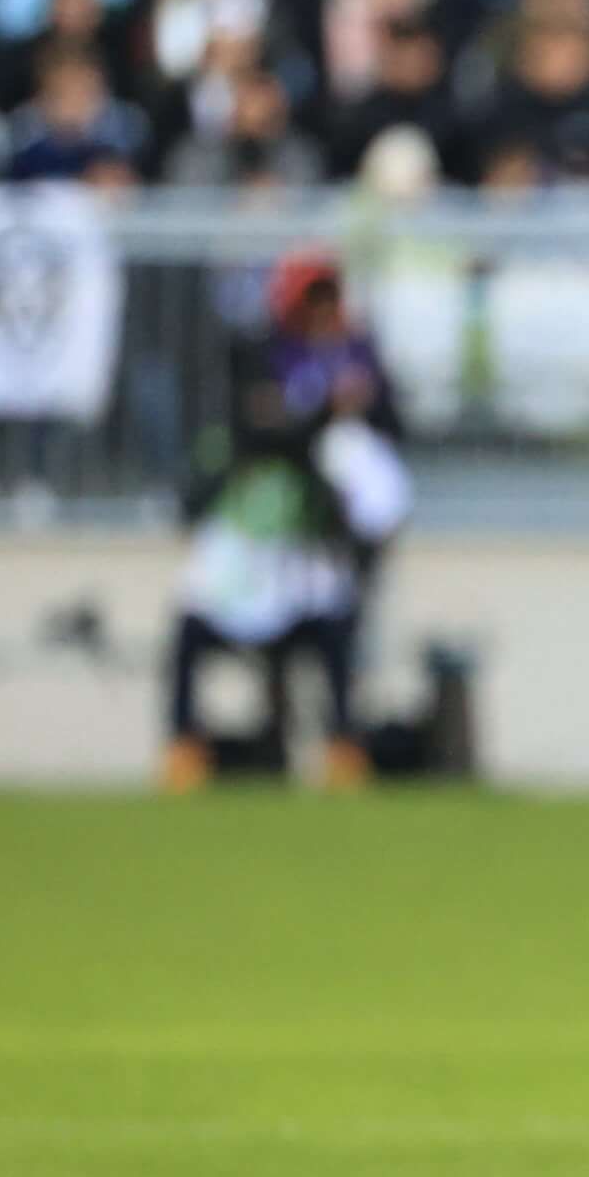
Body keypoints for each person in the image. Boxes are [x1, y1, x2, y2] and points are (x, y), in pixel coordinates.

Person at [164, 250, 407, 791]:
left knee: (334, 625)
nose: (322, 311)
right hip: (254, 531)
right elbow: (260, 430)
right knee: (194, 624)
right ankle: (183, 748)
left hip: (311, 531)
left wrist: (353, 409)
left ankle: (343, 748)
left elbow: (391, 424)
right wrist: (325, 413)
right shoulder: (260, 352)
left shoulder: (358, 351)